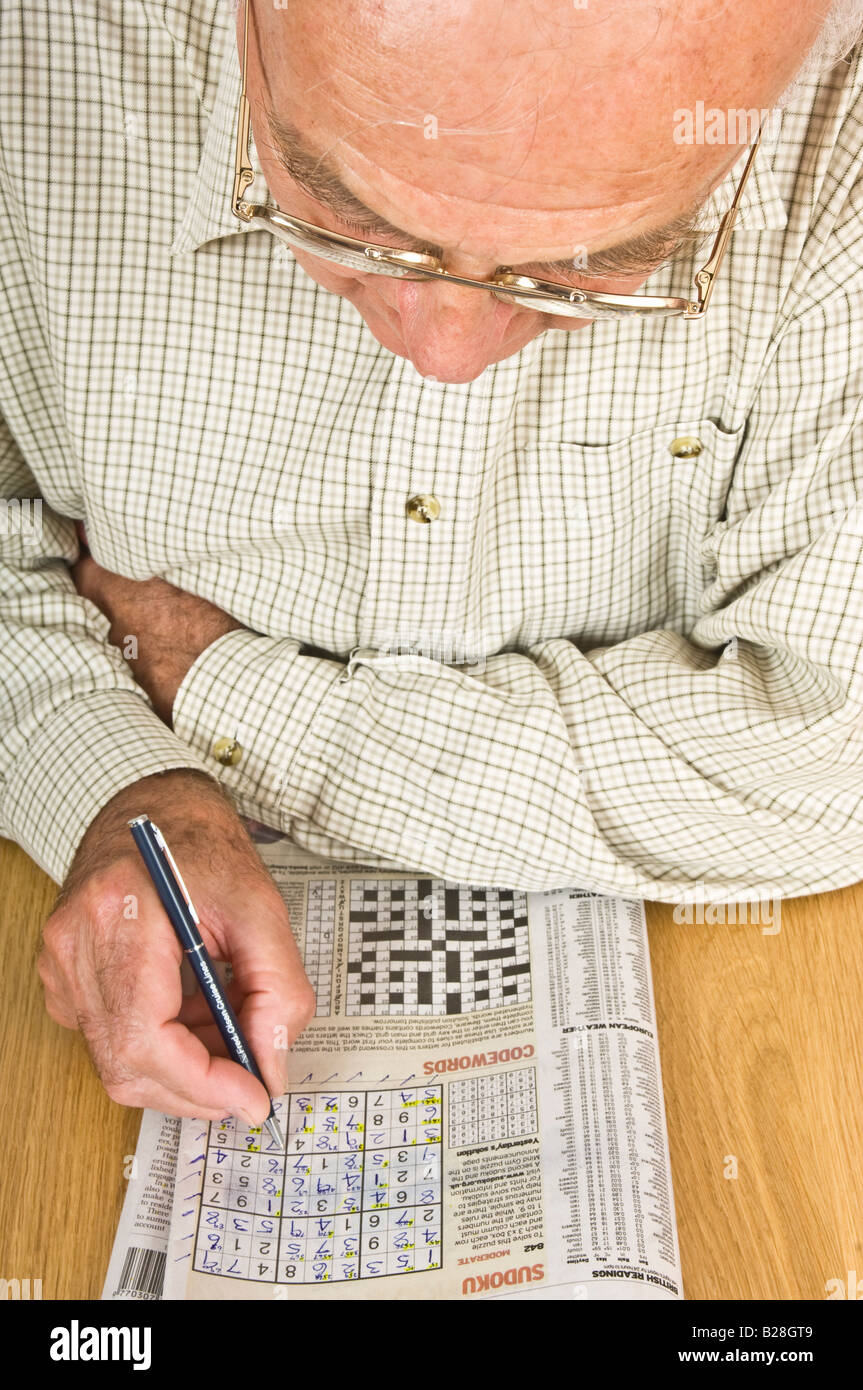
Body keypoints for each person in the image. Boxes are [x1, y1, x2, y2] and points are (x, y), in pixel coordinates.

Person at [2, 0, 862, 1125]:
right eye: (343, 213)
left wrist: (218, 696)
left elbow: (829, 752)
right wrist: (110, 777)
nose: (445, 354)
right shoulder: (36, 58)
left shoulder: (835, 123)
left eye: (595, 264)